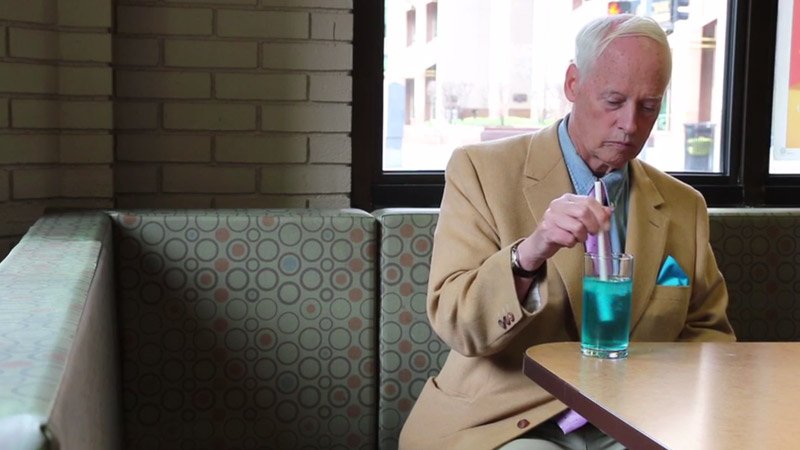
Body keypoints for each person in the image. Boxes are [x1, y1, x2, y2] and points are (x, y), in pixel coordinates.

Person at [399, 14, 735, 450]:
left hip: (638, 419)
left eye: (649, 106)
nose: (631, 125)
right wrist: (530, 255)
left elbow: (709, 336)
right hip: (507, 422)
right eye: (613, 101)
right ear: (573, 84)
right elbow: (458, 323)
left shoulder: (684, 206)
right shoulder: (480, 171)